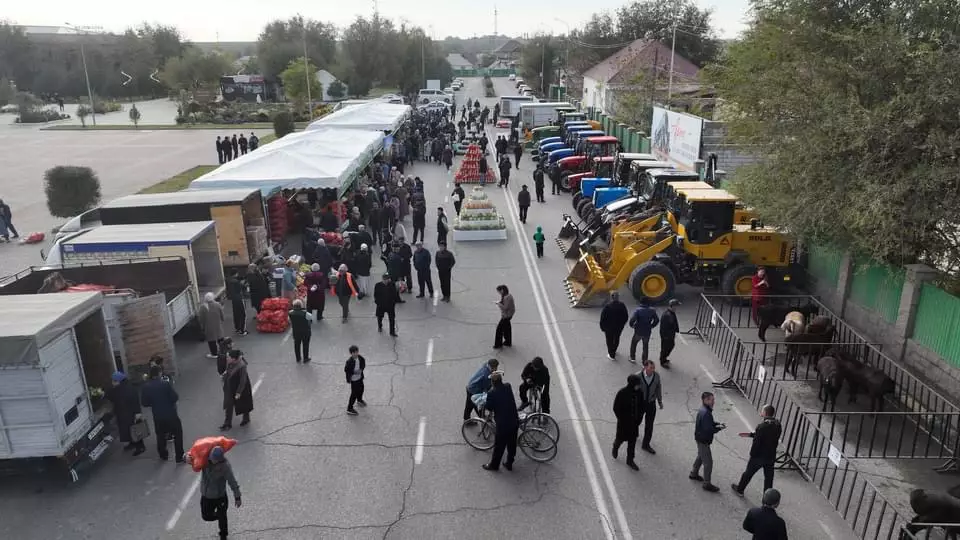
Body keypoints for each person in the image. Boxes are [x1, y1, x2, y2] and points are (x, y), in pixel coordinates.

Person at [732, 404, 783, 496]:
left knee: (748, 473)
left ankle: (740, 489)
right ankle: (767, 498)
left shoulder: (762, 426)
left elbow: (757, 443)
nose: (761, 412)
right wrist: (751, 434)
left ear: (765, 413)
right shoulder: (777, 425)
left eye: (762, 410)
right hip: (770, 456)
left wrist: (752, 454)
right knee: (768, 478)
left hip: (759, 456)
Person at [140, 365, 185, 462]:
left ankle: (163, 454)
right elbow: (174, 397)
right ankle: (179, 456)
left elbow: (144, 403)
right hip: (170, 414)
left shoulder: (146, 387)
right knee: (177, 434)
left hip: (157, 416)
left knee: (160, 435)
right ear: (159, 373)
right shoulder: (165, 384)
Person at [199, 445, 242, 540]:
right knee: (206, 516)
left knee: (222, 518)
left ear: (219, 460)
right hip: (206, 496)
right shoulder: (205, 459)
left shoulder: (225, 467)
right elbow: (193, 459)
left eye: (213, 459)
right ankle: (219, 516)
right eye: (211, 457)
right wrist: (186, 457)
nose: (211, 460)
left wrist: (237, 497)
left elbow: (232, 481)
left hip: (219, 496)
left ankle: (223, 534)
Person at [481, 371, 520, 472]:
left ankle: (494, 465)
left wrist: (485, 403)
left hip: (503, 424)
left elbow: (489, 407)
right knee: (512, 444)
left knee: (499, 446)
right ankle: (509, 463)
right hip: (514, 420)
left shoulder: (491, 393)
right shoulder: (508, 386)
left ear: (493, 383)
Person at [690, 391, 725, 492]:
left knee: (701, 456)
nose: (713, 402)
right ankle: (707, 483)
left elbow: (708, 424)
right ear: (705, 400)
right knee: (708, 462)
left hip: (700, 438)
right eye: (711, 400)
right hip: (703, 440)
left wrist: (717, 424)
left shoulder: (704, 410)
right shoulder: (706, 413)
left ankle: (694, 473)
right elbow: (708, 429)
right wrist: (719, 428)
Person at [106, 371, 146, 456]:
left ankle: (140, 447)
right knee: (130, 430)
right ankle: (133, 444)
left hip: (127, 414)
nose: (112, 383)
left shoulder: (120, 390)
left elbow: (111, 396)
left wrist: (137, 412)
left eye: (114, 381)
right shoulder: (128, 387)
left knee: (134, 430)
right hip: (127, 413)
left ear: (118, 381)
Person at [612, 373, 643, 471]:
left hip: (634, 424)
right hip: (623, 424)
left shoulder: (640, 393)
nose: (639, 386)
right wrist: (621, 419)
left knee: (632, 443)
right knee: (620, 439)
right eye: (637, 384)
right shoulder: (622, 393)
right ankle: (615, 447)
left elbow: (642, 406)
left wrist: (639, 419)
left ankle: (630, 460)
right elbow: (616, 408)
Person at [220, 350, 253, 430]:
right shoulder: (230, 362)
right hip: (231, 387)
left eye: (228, 357)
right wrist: (225, 374)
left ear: (234, 359)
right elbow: (228, 369)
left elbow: (243, 380)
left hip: (241, 388)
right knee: (229, 405)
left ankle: (246, 418)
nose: (227, 358)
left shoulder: (242, 366)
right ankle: (227, 423)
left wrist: (238, 392)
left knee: (244, 403)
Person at [637, 360, 664, 454]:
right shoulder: (638, 376)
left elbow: (658, 389)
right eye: (651, 368)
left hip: (651, 403)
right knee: (637, 420)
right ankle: (634, 433)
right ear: (645, 367)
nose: (653, 370)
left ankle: (646, 444)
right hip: (640, 403)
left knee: (649, 425)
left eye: (653, 368)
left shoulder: (656, 376)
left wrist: (660, 401)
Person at [628, 299, 659, 364]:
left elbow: (632, 320)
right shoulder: (652, 311)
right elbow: (656, 320)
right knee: (645, 346)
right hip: (647, 331)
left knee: (634, 343)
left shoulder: (638, 310)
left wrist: (632, 325)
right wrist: (651, 326)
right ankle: (644, 361)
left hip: (638, 330)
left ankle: (632, 357)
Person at [600, 292, 630, 359]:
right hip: (618, 327)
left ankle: (611, 354)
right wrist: (622, 324)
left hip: (608, 328)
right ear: (618, 298)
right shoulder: (622, 305)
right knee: (616, 338)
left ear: (611, 298)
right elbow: (626, 316)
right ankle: (614, 350)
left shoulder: (607, 306)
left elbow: (603, 318)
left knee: (609, 340)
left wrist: (602, 327)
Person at [199, 292, 225, 359]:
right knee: (220, 338)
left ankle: (214, 353)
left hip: (208, 327)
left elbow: (201, 318)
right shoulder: (217, 304)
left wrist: (202, 326)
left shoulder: (203, 307)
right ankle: (224, 350)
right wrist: (222, 319)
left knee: (211, 340)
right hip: (218, 325)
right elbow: (222, 314)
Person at [288, 299, 314, 363]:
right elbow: (312, 318)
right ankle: (305, 358)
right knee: (305, 345)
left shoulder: (290, 313)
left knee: (296, 345)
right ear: (301, 306)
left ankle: (298, 358)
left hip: (296, 332)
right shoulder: (305, 313)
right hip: (305, 332)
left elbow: (289, 321)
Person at [344, 345, 366, 415]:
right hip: (354, 380)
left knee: (361, 388)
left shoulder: (360, 358)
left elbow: (363, 363)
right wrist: (354, 372)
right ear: (351, 353)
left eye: (357, 352)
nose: (356, 354)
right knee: (354, 394)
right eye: (354, 352)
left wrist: (361, 369)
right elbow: (346, 370)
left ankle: (359, 400)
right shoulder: (349, 361)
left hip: (360, 378)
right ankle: (349, 408)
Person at [659, 299, 681, 367]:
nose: (677, 308)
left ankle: (664, 358)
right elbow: (664, 327)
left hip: (670, 335)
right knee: (665, 348)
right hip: (667, 336)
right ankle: (662, 361)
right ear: (673, 306)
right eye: (677, 306)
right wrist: (665, 336)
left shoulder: (671, 313)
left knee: (670, 346)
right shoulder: (667, 315)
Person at [226, 271, 248, 336]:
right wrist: (244, 284)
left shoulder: (229, 281)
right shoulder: (237, 282)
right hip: (239, 299)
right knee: (242, 314)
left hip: (234, 299)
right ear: (236, 274)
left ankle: (237, 328)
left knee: (236, 314)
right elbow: (242, 288)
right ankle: (242, 330)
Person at [493, 285, 515, 349]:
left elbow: (505, 307)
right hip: (509, 314)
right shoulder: (508, 296)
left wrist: (499, 304)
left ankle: (498, 344)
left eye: (499, 292)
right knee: (507, 328)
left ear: (502, 290)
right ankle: (508, 341)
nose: (499, 293)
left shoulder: (506, 297)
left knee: (499, 330)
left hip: (506, 316)